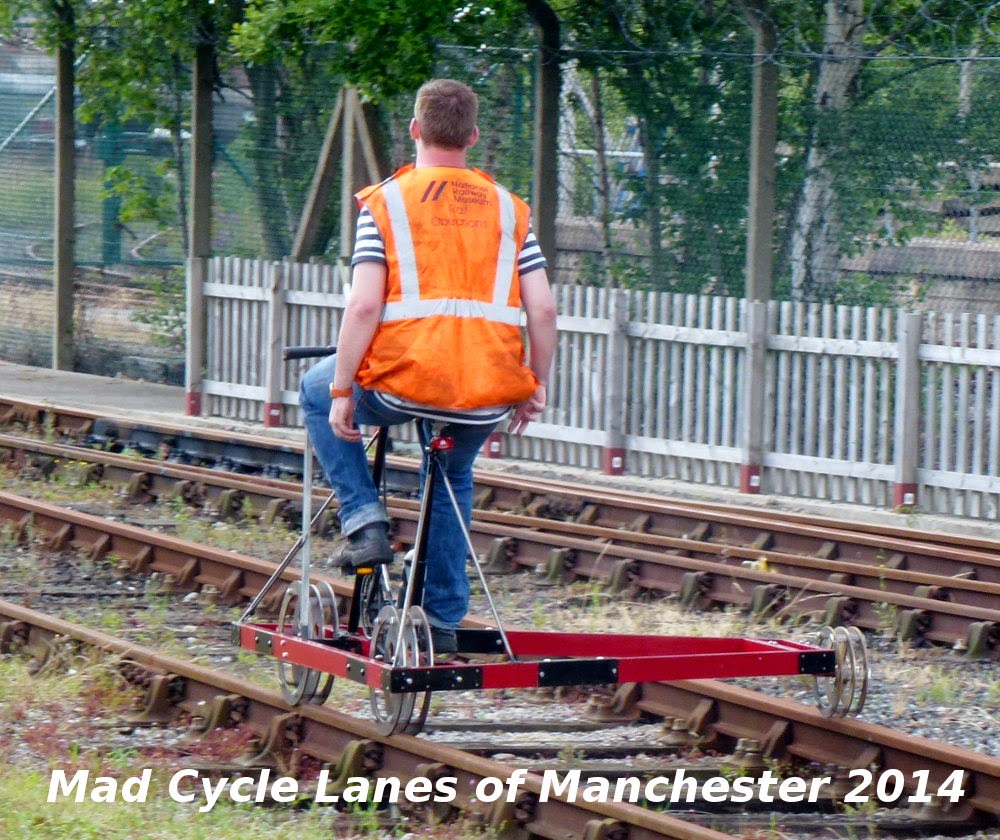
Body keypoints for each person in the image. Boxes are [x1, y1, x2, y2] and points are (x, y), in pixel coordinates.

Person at [299, 79, 557, 653]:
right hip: (487, 390)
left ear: (415, 130)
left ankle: (364, 520)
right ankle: (440, 620)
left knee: (315, 391)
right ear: (473, 137)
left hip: (402, 382)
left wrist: (344, 389)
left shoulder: (388, 201)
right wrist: (535, 383)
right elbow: (542, 307)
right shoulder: (510, 211)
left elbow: (364, 304)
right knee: (451, 475)